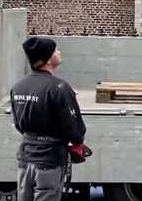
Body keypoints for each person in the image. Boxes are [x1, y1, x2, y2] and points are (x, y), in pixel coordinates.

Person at [11, 37, 89, 201]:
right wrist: (77, 143)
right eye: (55, 50)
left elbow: (19, 125)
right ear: (48, 59)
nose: (58, 52)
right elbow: (74, 130)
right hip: (49, 161)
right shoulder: (59, 88)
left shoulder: (18, 87)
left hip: (25, 158)